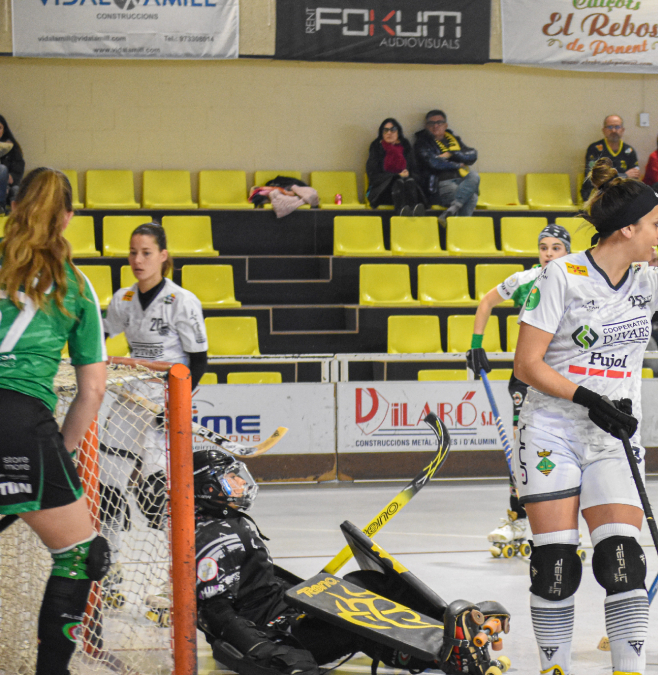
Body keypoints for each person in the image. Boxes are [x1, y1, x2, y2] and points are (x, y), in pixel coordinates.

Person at [511, 157, 658, 675]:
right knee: (555, 565)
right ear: (628, 228)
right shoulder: (561, 276)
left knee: (622, 563)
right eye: (656, 224)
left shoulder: (647, 280)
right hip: (552, 432)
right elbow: (526, 364)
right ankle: (554, 668)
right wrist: (589, 399)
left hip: (614, 436)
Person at [192, 447, 511, 675]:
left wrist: (310, 592)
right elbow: (215, 613)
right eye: (230, 479)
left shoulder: (226, 523)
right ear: (208, 488)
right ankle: (445, 657)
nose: (240, 483)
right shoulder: (217, 538)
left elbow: (259, 581)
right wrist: (266, 652)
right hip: (276, 635)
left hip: (283, 614)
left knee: (362, 584)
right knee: (358, 622)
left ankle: (444, 634)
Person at [0, 168, 109, 675]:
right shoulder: (74, 285)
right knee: (82, 555)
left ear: (13, 206)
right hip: (19, 421)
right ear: (67, 218)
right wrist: (58, 454)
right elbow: (92, 390)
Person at [99, 222, 209, 541]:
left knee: (155, 493)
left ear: (163, 256)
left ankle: (183, 564)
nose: (138, 260)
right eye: (133, 252)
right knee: (108, 482)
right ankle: (111, 562)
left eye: (146, 253)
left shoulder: (182, 301)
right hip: (130, 400)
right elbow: (100, 336)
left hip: (166, 400)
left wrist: (176, 405)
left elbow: (199, 361)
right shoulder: (123, 298)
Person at [466, 224, 571, 552]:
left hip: (564, 376)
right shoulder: (525, 279)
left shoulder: (578, 281)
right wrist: (476, 345)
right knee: (521, 450)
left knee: (563, 449)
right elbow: (486, 302)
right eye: (544, 247)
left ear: (567, 251)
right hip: (526, 377)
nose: (549, 253)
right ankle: (517, 519)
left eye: (556, 248)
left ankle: (561, 524)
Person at [413, 110, 479, 227]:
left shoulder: (454, 140)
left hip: (460, 180)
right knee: (472, 197)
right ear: (426, 126)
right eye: (431, 123)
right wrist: (457, 165)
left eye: (439, 122)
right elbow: (433, 163)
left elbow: (472, 155)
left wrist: (451, 154)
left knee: (474, 175)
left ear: (445, 125)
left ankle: (451, 211)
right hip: (440, 184)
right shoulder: (421, 143)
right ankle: (459, 228)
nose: (435, 126)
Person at [365, 118, 424, 215]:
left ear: (398, 132)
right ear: (382, 133)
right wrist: (396, 176)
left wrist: (408, 174)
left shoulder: (406, 147)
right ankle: (402, 212)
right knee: (398, 182)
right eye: (385, 130)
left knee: (409, 181)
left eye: (393, 130)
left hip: (407, 185)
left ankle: (412, 211)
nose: (389, 133)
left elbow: (416, 172)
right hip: (382, 191)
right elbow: (373, 176)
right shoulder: (376, 147)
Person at [581, 115, 639, 202]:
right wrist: (624, 175)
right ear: (604, 130)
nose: (614, 130)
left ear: (622, 130)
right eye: (610, 127)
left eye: (617, 127)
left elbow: (634, 177)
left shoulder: (629, 151)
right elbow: (594, 176)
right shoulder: (595, 149)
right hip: (597, 192)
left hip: (621, 192)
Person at [0, 114, 24, 213]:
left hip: (8, 187)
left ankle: (17, 215)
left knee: (16, 189)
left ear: (4, 130)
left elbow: (18, 168)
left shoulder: (12, 147)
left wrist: (10, 177)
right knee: (2, 169)